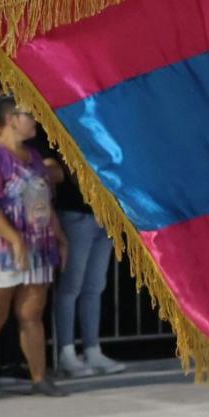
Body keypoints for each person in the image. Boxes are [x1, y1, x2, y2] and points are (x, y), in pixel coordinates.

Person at [0, 93, 67, 401]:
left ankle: (39, 377)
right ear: (11, 119)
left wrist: (58, 234)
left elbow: (41, 200)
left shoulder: (33, 157)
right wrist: (13, 237)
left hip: (36, 243)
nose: (34, 121)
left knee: (32, 313)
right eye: (29, 115)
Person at [48, 148, 125, 377]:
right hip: (76, 213)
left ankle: (92, 348)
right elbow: (72, 173)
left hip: (103, 215)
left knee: (94, 287)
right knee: (71, 285)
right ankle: (66, 351)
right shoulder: (68, 131)